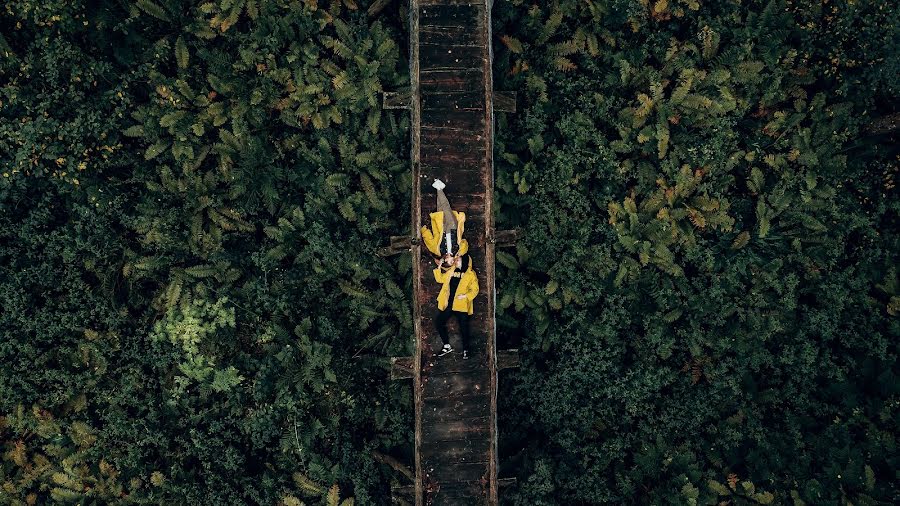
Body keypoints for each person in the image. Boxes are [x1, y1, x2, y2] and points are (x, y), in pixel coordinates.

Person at [432, 252, 479, 359]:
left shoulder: (470, 274)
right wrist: (439, 266)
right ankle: (447, 345)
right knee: (439, 322)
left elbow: (475, 289)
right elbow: (440, 279)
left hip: (461, 305)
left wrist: (465, 296)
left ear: (464, 262)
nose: (456, 261)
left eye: (458, 260)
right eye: (456, 259)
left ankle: (466, 349)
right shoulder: (451, 270)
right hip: (449, 304)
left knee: (464, 328)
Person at [421, 179, 468, 268]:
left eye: (446, 261)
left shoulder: (438, 251)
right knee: (446, 208)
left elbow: (429, 241)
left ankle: (439, 188)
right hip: (453, 227)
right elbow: (465, 243)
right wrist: (459, 254)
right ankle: (439, 188)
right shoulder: (458, 251)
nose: (448, 260)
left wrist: (423, 230)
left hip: (441, 228)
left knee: (440, 210)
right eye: (450, 262)